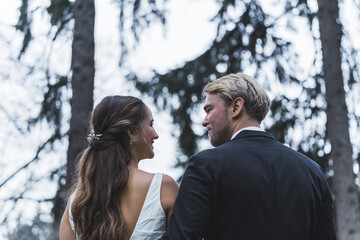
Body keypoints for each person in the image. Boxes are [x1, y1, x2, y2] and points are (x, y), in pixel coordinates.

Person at [161, 73, 336, 240]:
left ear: (236, 107)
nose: (204, 121)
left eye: (209, 110)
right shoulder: (312, 171)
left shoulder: (206, 165)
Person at [59, 95, 178, 240]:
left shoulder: (76, 204)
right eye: (151, 124)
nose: (156, 134)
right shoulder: (163, 188)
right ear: (132, 131)